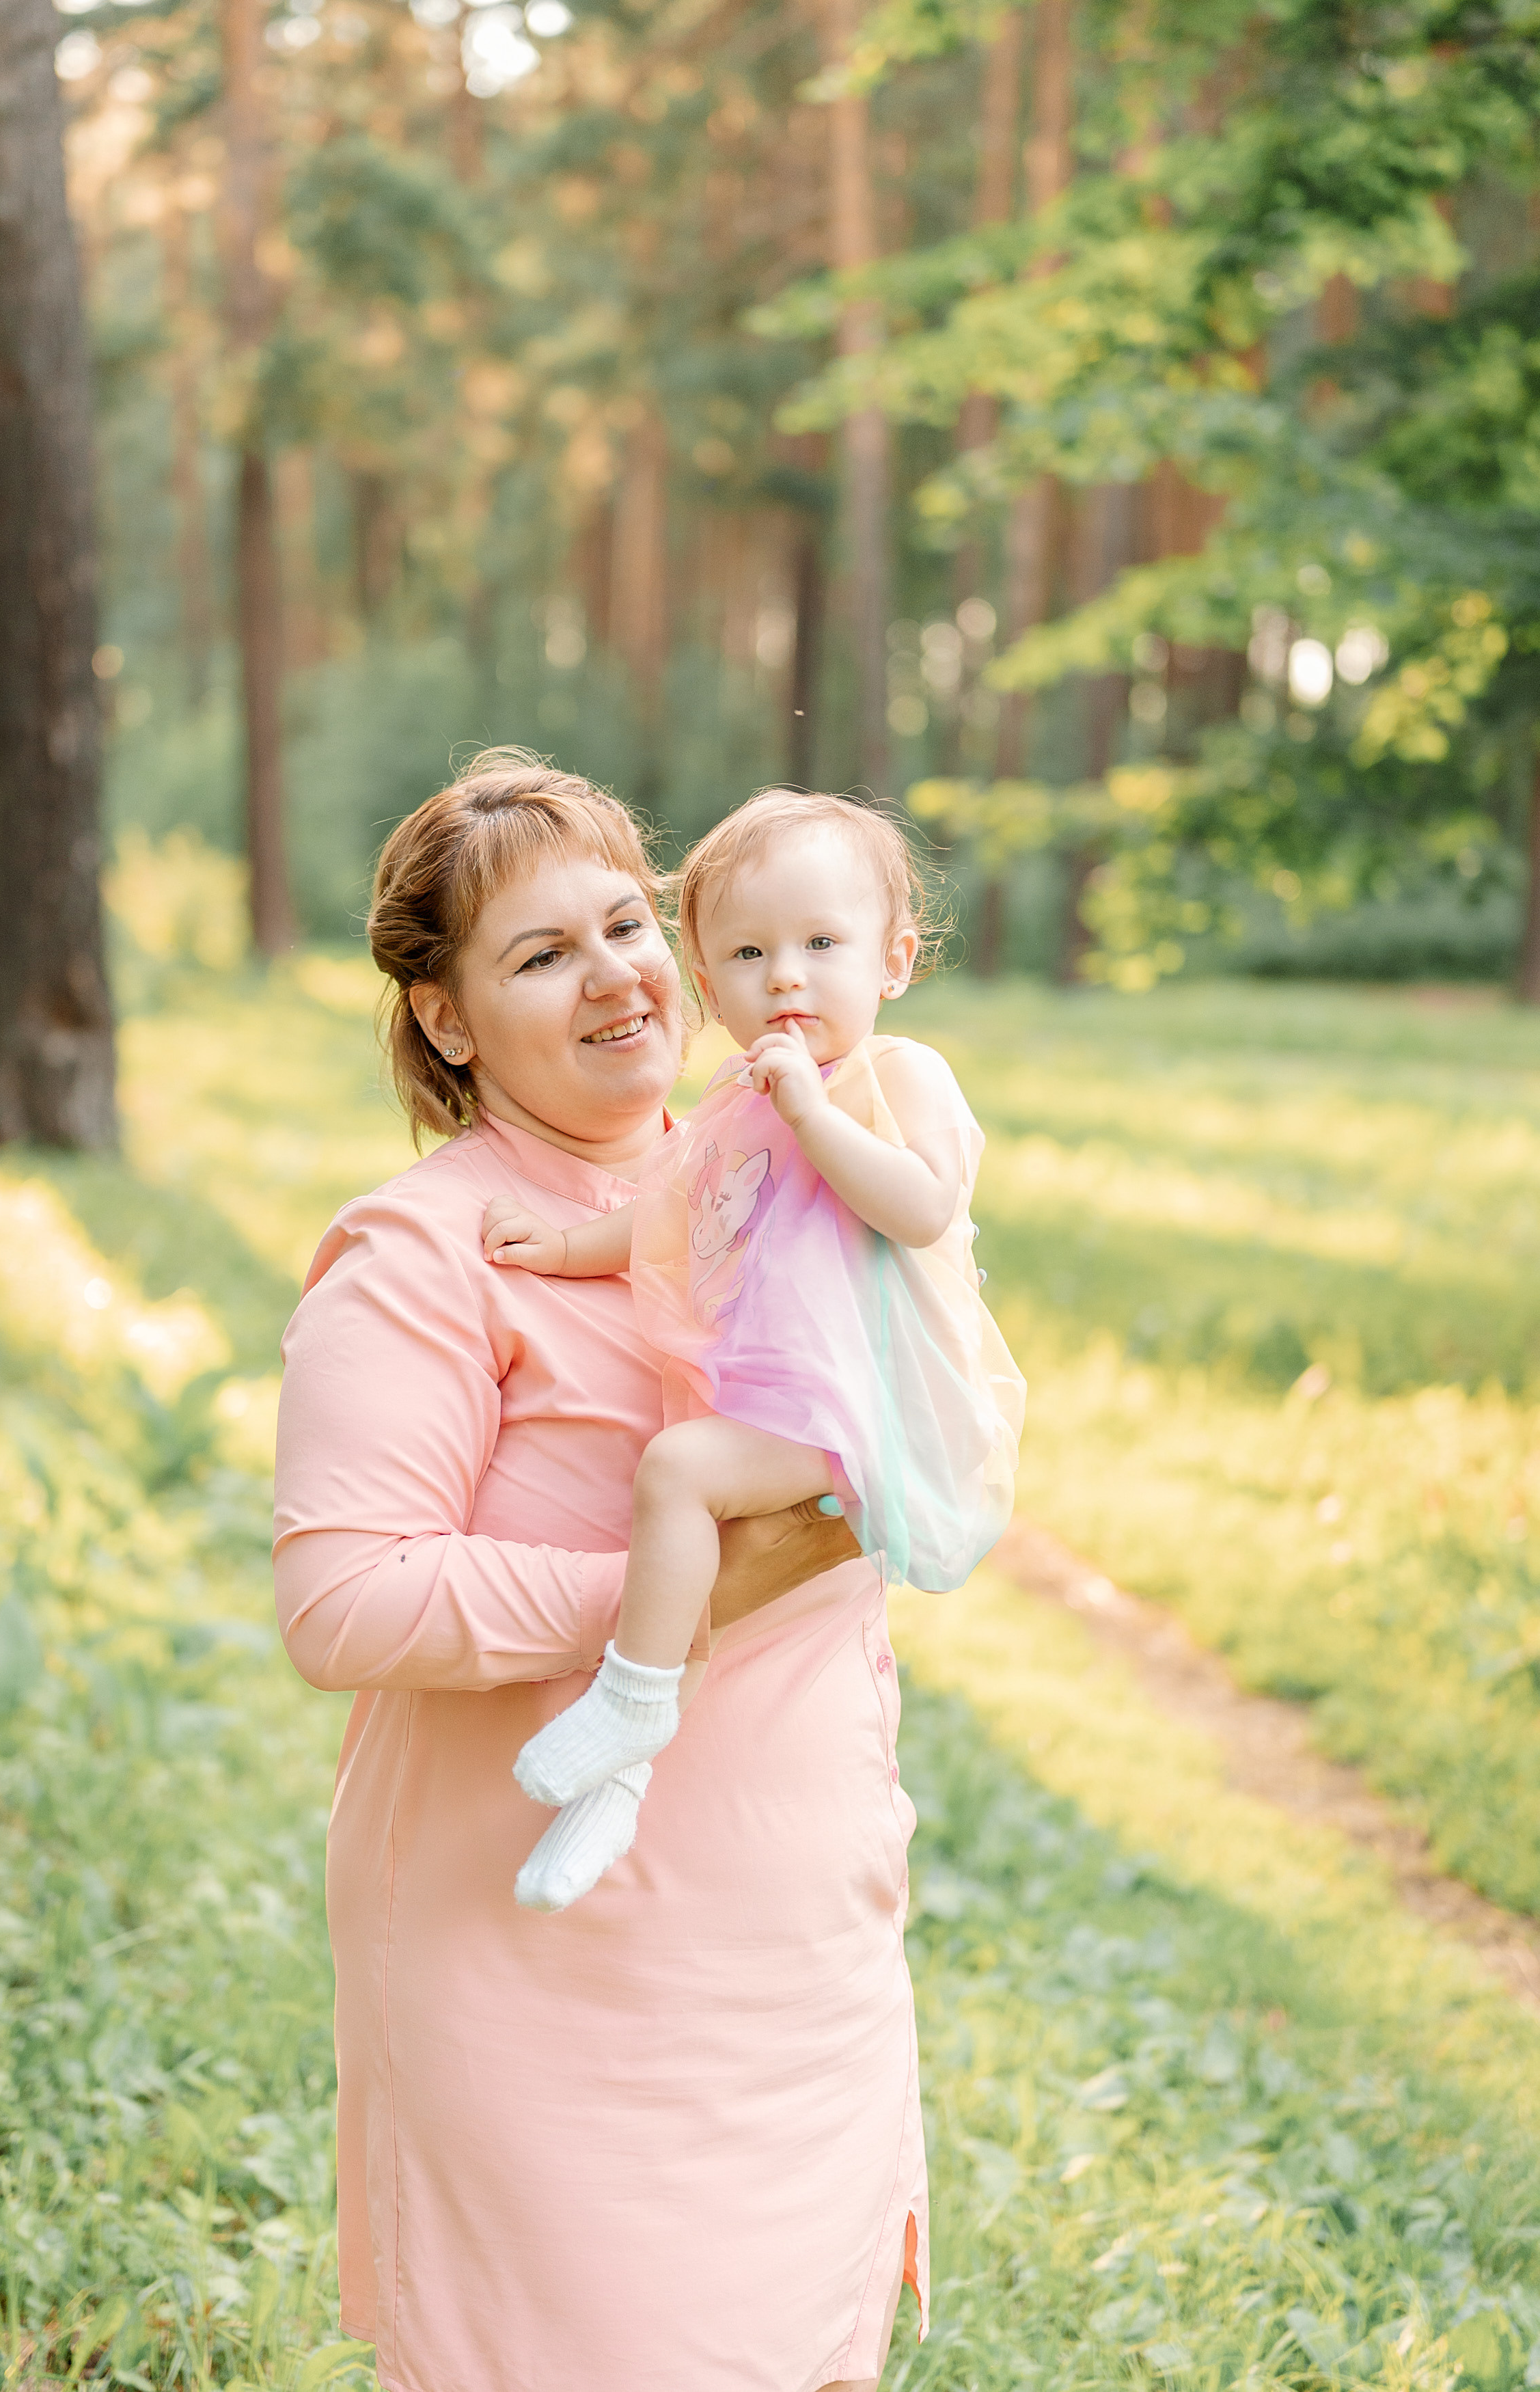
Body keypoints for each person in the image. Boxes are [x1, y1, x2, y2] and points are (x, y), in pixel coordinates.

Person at [272, 753, 928, 2392]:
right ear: (444, 1018)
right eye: (539, 953)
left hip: (795, 1927)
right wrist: (689, 1591)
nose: (619, 975)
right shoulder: (423, 1251)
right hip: (543, 1953)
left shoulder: (784, 1168)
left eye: (628, 922)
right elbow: (345, 1600)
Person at [486, 789, 1025, 1912]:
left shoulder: (894, 1077)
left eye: (821, 945)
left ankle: (632, 1706)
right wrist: (567, 1243)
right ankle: (622, 1782)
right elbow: (677, 1212)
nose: (785, 978)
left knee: (675, 1474)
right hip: (777, 1396)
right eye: (746, 953)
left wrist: (814, 1116)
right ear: (706, 983)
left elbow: (920, 1207)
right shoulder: (741, 1096)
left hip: (863, 1405)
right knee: (687, 1518)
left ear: (893, 960)